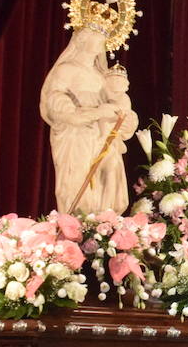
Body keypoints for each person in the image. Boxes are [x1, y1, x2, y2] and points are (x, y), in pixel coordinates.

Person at [39, 26, 138, 215]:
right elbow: (56, 102)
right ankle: (78, 229)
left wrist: (126, 120)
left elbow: (119, 105)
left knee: (107, 184)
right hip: (77, 137)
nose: (100, 40)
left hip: (104, 139)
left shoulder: (104, 75)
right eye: (96, 35)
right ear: (82, 38)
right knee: (77, 185)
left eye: (103, 36)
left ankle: (103, 230)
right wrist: (93, 113)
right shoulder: (66, 70)